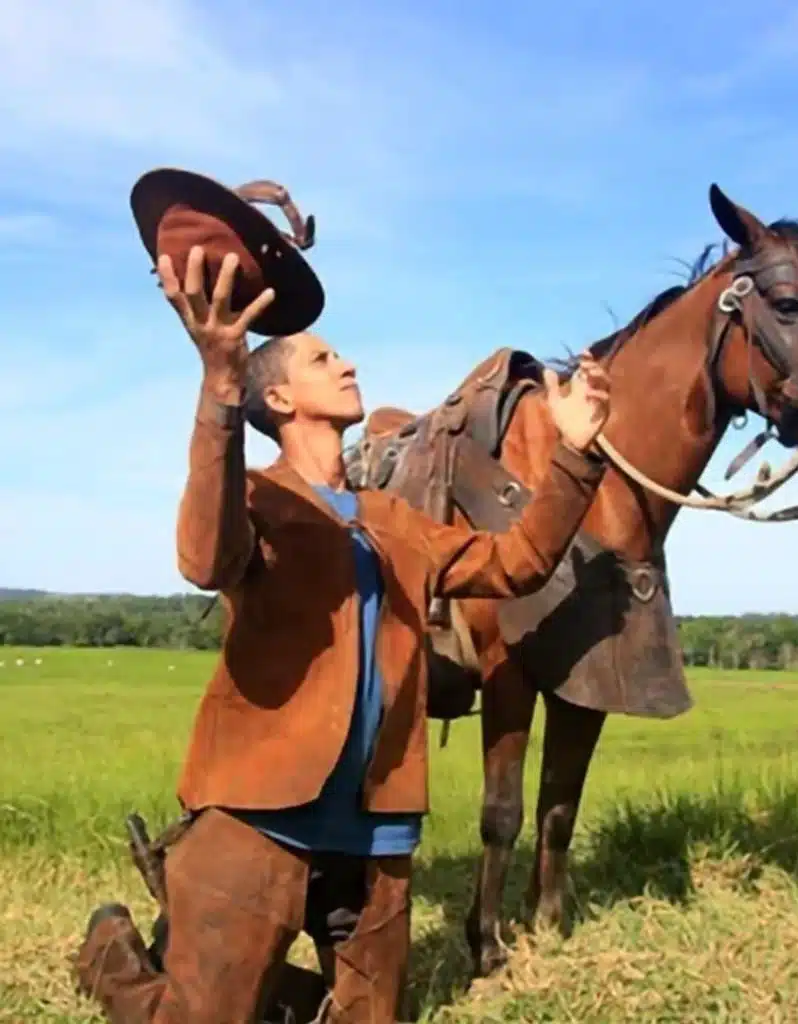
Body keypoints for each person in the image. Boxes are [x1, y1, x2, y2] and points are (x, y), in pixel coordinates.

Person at [73, 243, 612, 1024]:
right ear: (279, 398)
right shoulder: (255, 499)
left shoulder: (397, 522)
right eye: (324, 359)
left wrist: (575, 455)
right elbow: (203, 557)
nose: (349, 364)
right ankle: (112, 951)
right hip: (258, 811)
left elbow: (520, 563)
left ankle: (255, 983)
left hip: (375, 830)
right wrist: (219, 382)